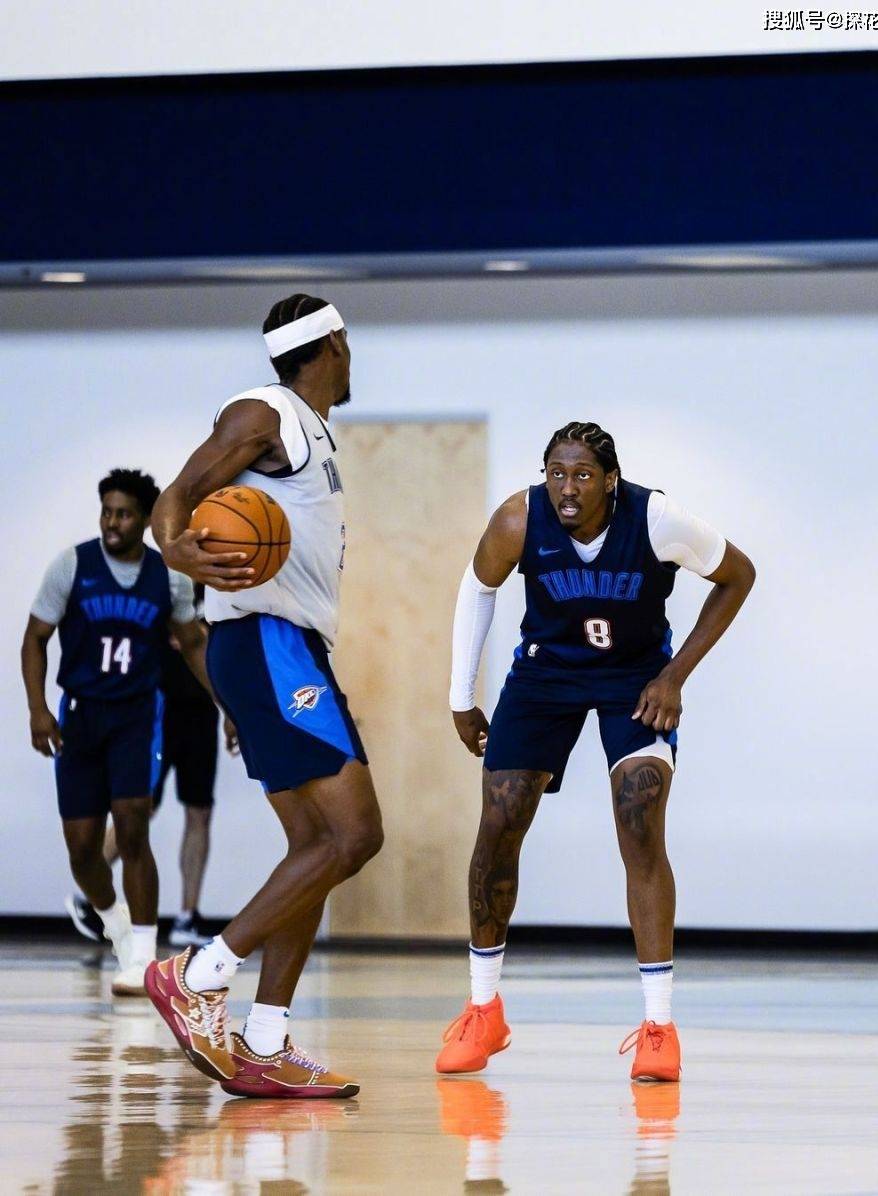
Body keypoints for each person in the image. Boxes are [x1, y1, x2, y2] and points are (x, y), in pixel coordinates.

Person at [437, 422, 755, 1082]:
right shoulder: (519, 518)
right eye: (556, 473)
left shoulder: (657, 519)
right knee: (499, 823)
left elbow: (738, 575)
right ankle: (483, 1010)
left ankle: (659, 1027)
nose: (567, 487)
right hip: (545, 673)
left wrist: (674, 677)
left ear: (611, 480)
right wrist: (462, 697)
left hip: (634, 678)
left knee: (640, 823)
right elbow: (477, 589)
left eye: (582, 475)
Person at [146, 294, 383, 1100]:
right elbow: (176, 494)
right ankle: (199, 975)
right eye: (348, 343)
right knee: (355, 835)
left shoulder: (312, 430)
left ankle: (266, 1041)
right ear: (334, 343)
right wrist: (178, 549)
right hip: (269, 642)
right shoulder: (267, 411)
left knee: (313, 847)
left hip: (279, 650)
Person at [21, 469, 213, 996]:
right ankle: (116, 923)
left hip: (136, 716)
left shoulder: (167, 578)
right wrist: (38, 710)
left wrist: (231, 707)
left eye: (124, 514)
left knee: (133, 826)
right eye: (107, 511)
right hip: (81, 716)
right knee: (83, 850)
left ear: (145, 520)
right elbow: (35, 638)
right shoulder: (72, 565)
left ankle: (144, 958)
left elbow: (193, 644)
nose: (112, 522)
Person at [66, 585, 236, 950]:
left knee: (200, 811)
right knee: (142, 808)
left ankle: (188, 918)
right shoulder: (162, 582)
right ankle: (88, 896)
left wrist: (230, 709)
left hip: (201, 711)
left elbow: (217, 646)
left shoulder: (219, 590)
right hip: (157, 709)